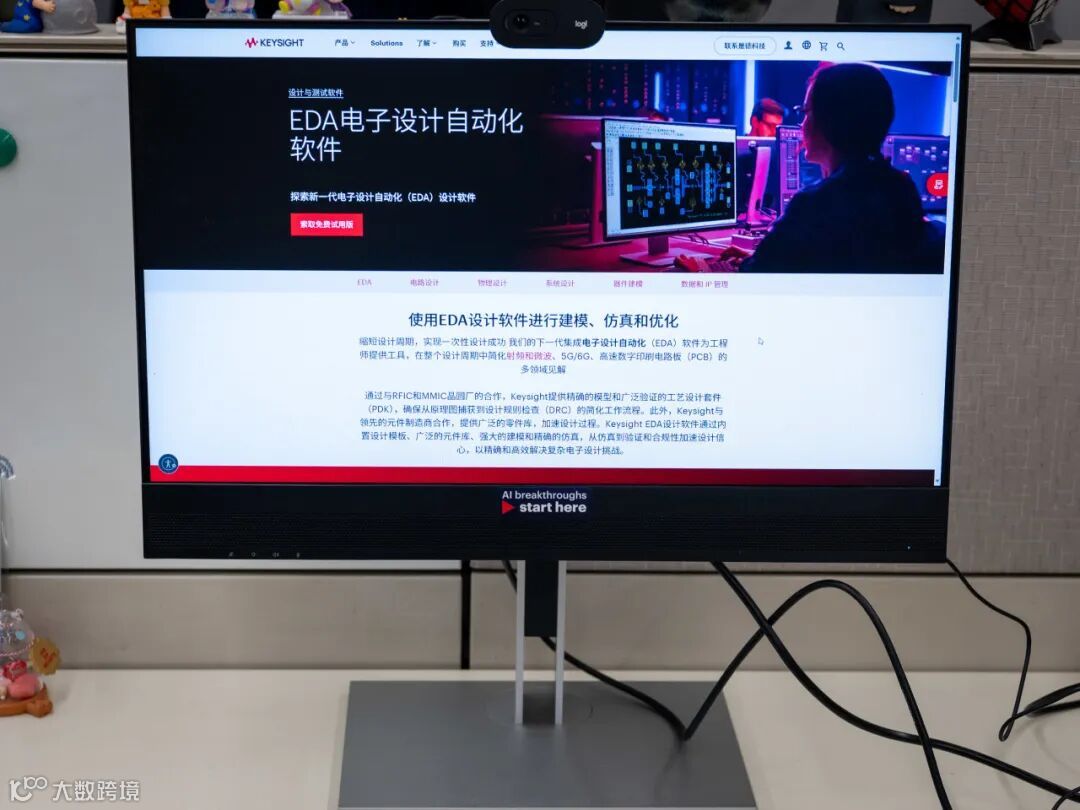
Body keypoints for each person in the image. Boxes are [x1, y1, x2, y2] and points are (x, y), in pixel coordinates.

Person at [721, 63, 943, 274]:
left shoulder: (813, 204)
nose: (802, 124)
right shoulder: (901, 188)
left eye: (806, 112)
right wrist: (762, 257)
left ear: (829, 121)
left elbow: (757, 277)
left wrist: (717, 268)